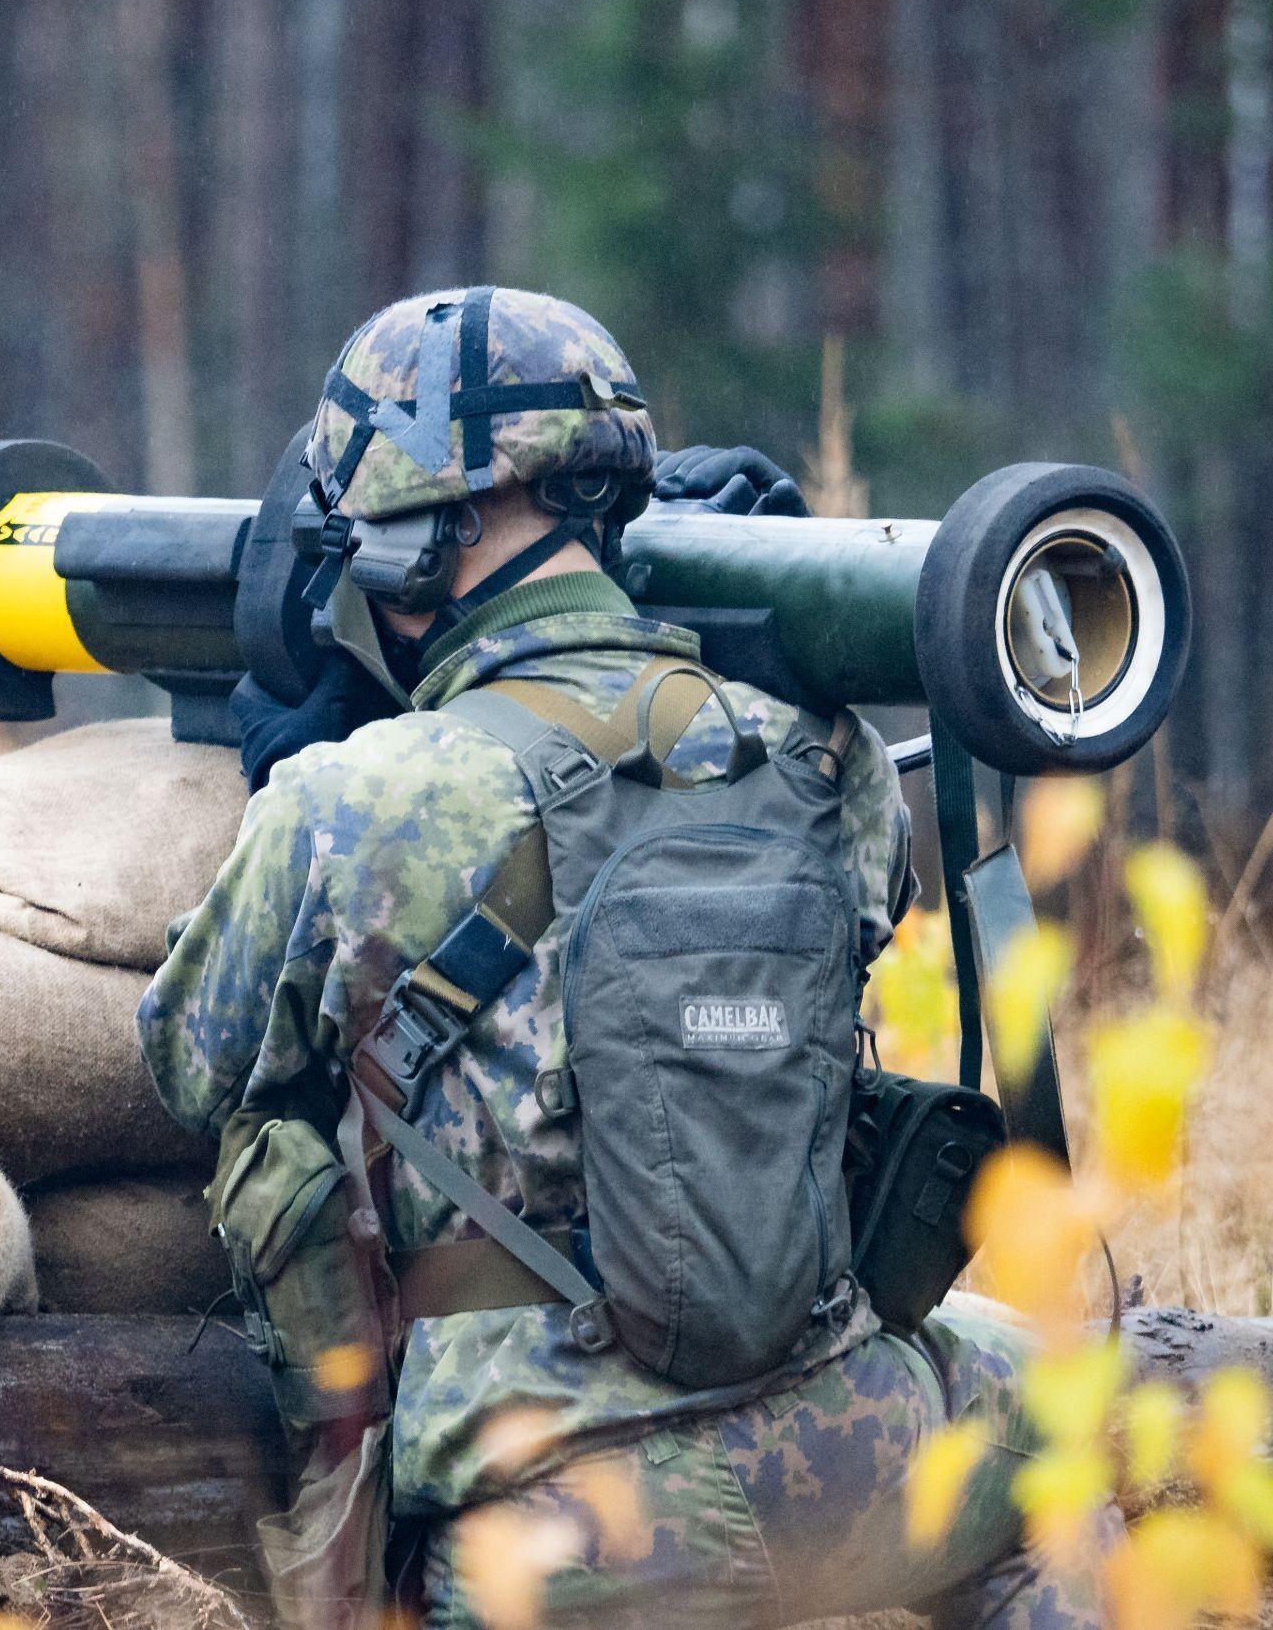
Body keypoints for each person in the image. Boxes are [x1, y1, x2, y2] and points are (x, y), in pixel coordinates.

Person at [137, 287, 1113, 1628]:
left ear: (434, 536)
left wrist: (302, 785)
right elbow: (830, 921)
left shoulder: (352, 801)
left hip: (561, 1534)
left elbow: (191, 1057)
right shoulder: (825, 762)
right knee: (1040, 1410)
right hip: (838, 1460)